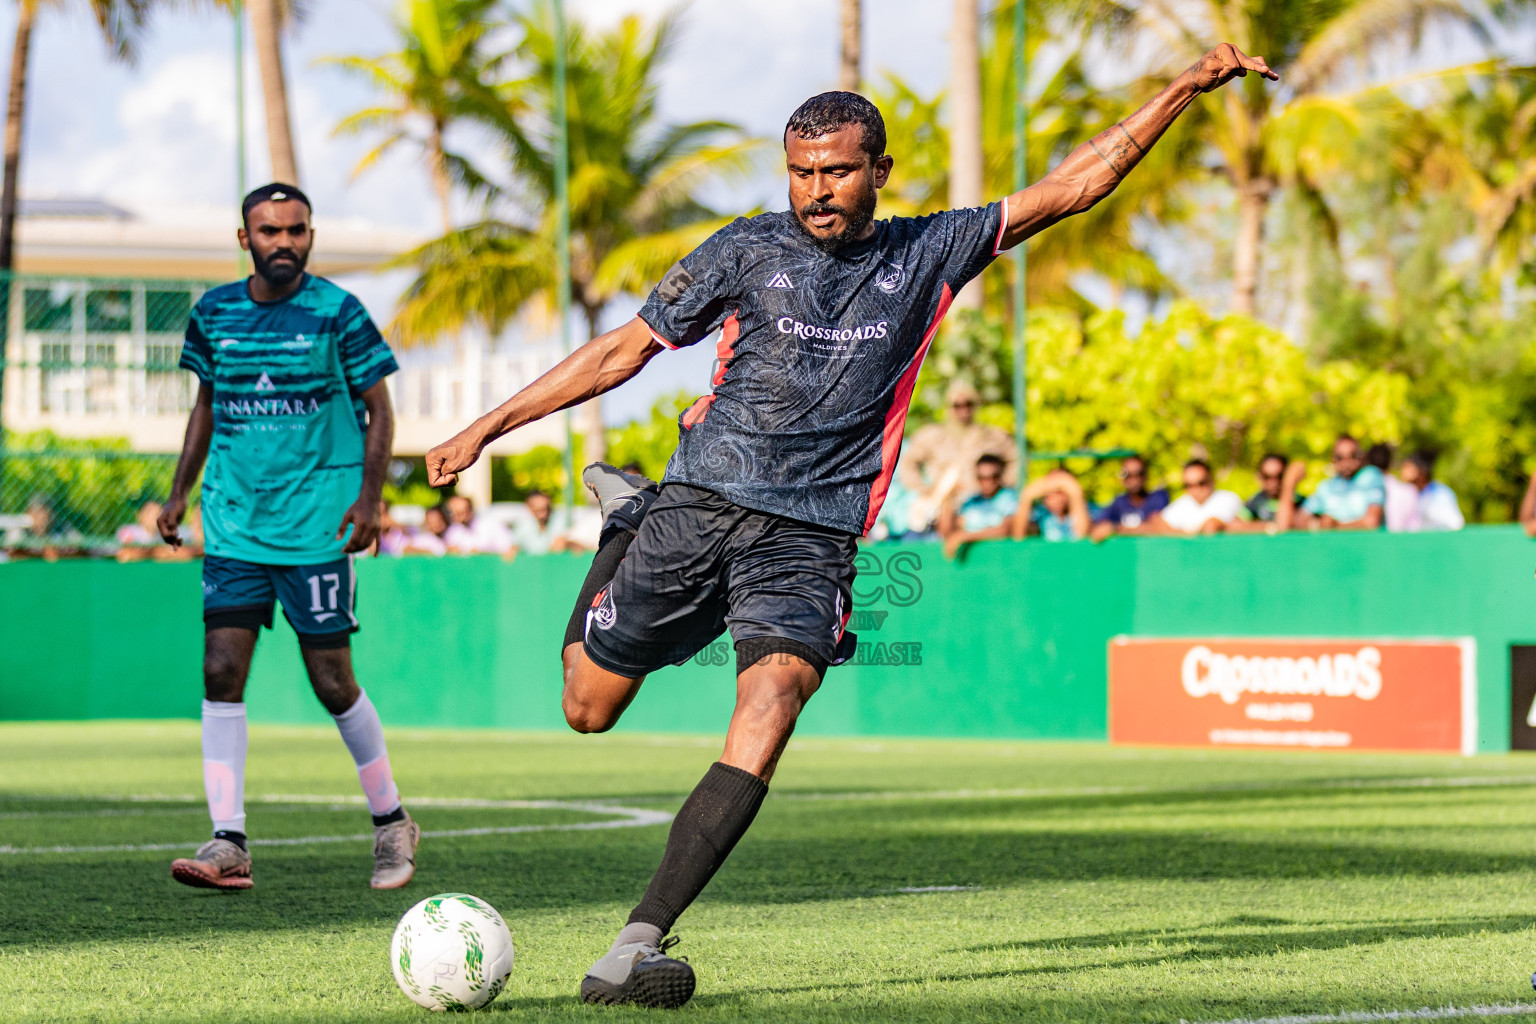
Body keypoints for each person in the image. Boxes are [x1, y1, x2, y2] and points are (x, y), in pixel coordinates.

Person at [423, 47, 1276, 1009]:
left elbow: (1075, 186)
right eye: (800, 171)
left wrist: (1182, 89)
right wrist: (487, 424)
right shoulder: (744, 249)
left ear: (879, 171)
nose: (817, 190)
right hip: (698, 503)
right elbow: (624, 349)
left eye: (836, 170)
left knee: (773, 700)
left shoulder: (931, 251)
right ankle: (626, 522)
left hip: (812, 537)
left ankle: (633, 945)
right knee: (588, 707)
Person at [158, 183, 419, 892]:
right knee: (220, 669)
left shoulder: (339, 312)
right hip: (235, 521)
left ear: (310, 234)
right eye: (270, 231)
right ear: (244, 238)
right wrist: (180, 492)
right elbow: (206, 405)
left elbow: (379, 410)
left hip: (315, 526)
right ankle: (228, 841)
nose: (285, 242)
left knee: (331, 681)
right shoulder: (213, 313)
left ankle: (392, 819)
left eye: (296, 230)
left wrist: (371, 499)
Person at [900, 381, 1014, 531]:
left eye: (968, 404)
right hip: (941, 507)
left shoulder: (992, 436)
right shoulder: (931, 436)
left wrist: (1000, 486)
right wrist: (925, 490)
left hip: (980, 506)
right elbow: (907, 463)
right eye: (957, 405)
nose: (963, 409)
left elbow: (1015, 459)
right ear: (949, 407)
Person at [1299, 434, 1385, 530]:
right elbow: (1301, 519)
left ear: (1361, 457)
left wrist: (1335, 526)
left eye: (1353, 456)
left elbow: (1372, 522)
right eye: (1339, 457)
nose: (1346, 462)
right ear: (1332, 459)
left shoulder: (1370, 477)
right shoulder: (1326, 486)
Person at [939, 454, 1018, 558]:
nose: (988, 482)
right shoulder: (971, 501)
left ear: (1001, 475)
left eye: (994, 476)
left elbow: (1006, 529)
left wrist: (966, 536)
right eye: (982, 477)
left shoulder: (1010, 497)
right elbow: (948, 533)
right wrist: (947, 498)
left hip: (1002, 559)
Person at [1090, 454, 1170, 541]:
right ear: (1122, 478)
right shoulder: (1119, 502)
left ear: (1146, 475)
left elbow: (1158, 528)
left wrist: (1116, 528)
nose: (1135, 479)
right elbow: (1099, 527)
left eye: (1140, 473)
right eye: (1128, 475)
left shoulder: (1158, 497)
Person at [1155, 459, 1246, 534]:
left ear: (1212, 479)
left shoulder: (1227, 498)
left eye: (1201, 483)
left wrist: (1183, 532)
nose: (1196, 489)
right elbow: (1158, 522)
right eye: (1189, 485)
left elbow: (1212, 527)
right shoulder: (1183, 502)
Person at [1391, 451, 1464, 532]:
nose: (1402, 471)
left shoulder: (1441, 493)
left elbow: (1456, 523)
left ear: (1422, 471)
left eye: (1408, 467)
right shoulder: (1406, 493)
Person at [1012, 468, 1091, 542]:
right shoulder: (1041, 515)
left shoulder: (1086, 510)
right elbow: (1018, 537)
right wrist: (1026, 497)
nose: (1055, 498)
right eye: (1049, 494)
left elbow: (1082, 535)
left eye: (1059, 491)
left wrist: (1075, 491)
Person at [510, 490, 585, 556]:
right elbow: (514, 547)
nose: (543, 515)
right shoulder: (523, 525)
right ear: (529, 508)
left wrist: (566, 543)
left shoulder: (560, 519)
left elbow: (573, 544)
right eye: (538, 510)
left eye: (545, 509)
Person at [444, 494, 513, 555]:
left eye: (461, 512)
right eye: (455, 513)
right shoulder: (453, 531)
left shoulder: (492, 525)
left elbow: (507, 550)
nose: (459, 517)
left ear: (470, 510)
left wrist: (480, 552)